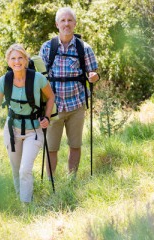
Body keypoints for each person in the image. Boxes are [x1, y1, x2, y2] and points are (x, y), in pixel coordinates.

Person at [0, 43, 55, 203]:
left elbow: (51, 97)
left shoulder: (38, 79)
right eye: (13, 58)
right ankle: (20, 198)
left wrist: (47, 117)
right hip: (12, 130)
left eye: (20, 57)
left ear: (26, 59)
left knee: (24, 170)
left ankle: (26, 205)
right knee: (16, 170)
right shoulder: (4, 81)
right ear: (8, 61)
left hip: (34, 130)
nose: (17, 61)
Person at [39, 7, 99, 178]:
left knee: (75, 145)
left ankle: (71, 180)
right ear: (57, 24)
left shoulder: (84, 48)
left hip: (76, 105)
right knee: (51, 148)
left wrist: (94, 77)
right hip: (53, 107)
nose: (66, 24)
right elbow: (40, 77)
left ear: (75, 24)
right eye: (63, 21)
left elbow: (92, 73)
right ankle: (51, 182)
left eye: (70, 20)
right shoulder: (47, 47)